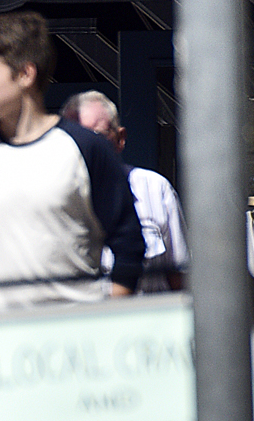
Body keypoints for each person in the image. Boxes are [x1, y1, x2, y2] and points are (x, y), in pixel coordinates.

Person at [0, 11, 143, 317]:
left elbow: (129, 247)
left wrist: (106, 319)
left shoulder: (86, 149)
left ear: (25, 74)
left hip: (78, 338)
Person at [66, 91, 187, 288]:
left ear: (120, 138)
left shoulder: (155, 188)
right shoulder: (49, 196)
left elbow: (178, 275)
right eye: (75, 138)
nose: (86, 147)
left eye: (97, 136)